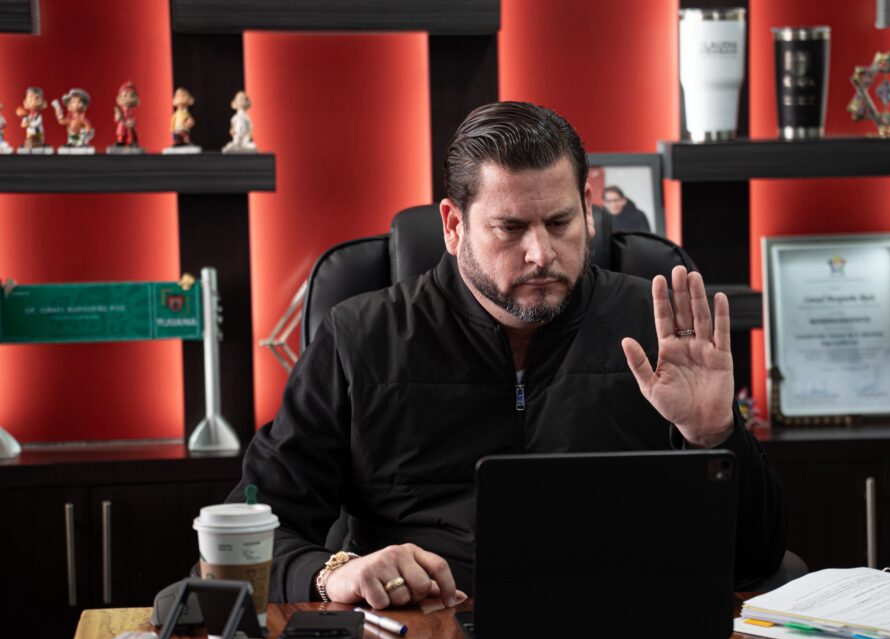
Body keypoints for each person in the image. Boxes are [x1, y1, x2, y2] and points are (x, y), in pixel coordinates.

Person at [226, 101, 787, 611]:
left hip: (622, 634)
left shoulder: (658, 328)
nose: (541, 253)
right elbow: (249, 531)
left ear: (588, 212)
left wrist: (714, 437)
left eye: (560, 223)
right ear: (453, 227)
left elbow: (755, 562)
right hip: (425, 637)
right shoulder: (360, 338)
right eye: (511, 228)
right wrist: (334, 575)